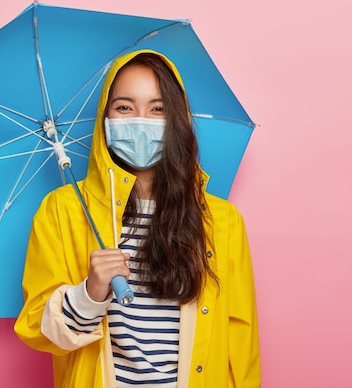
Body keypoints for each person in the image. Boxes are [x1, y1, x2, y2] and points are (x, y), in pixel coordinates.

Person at [14, 49, 260, 387]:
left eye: (157, 109)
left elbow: (240, 341)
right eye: (125, 107)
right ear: (105, 119)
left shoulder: (222, 220)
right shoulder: (63, 209)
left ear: (178, 119)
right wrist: (90, 293)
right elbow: (38, 330)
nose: (140, 120)